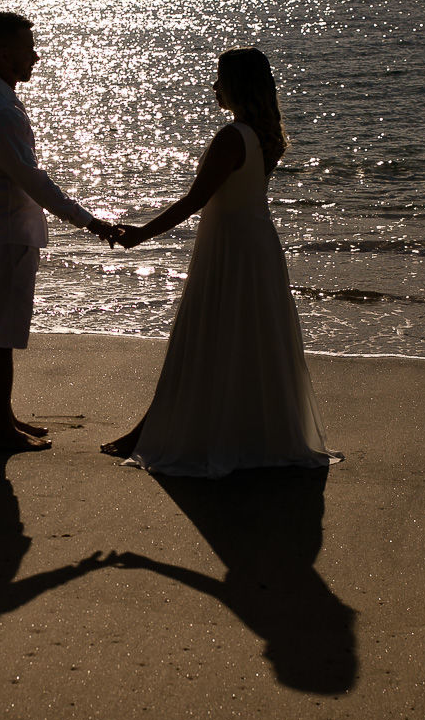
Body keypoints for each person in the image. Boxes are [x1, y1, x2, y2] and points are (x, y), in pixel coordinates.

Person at [103, 47, 342, 478]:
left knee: (208, 337)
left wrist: (139, 234)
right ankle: (201, 429)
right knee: (247, 342)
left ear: (238, 86)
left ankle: (167, 432)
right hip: (257, 247)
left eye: (220, 80)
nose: (214, 87)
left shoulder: (232, 138)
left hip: (229, 249)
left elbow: (196, 200)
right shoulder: (265, 135)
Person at [0, 11, 122, 453]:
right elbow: (32, 180)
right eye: (28, 48)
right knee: (1, 333)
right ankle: (0, 429)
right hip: (5, 231)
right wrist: (89, 221)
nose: (36, 55)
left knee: (2, 330)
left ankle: (5, 417)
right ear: (5, 52)